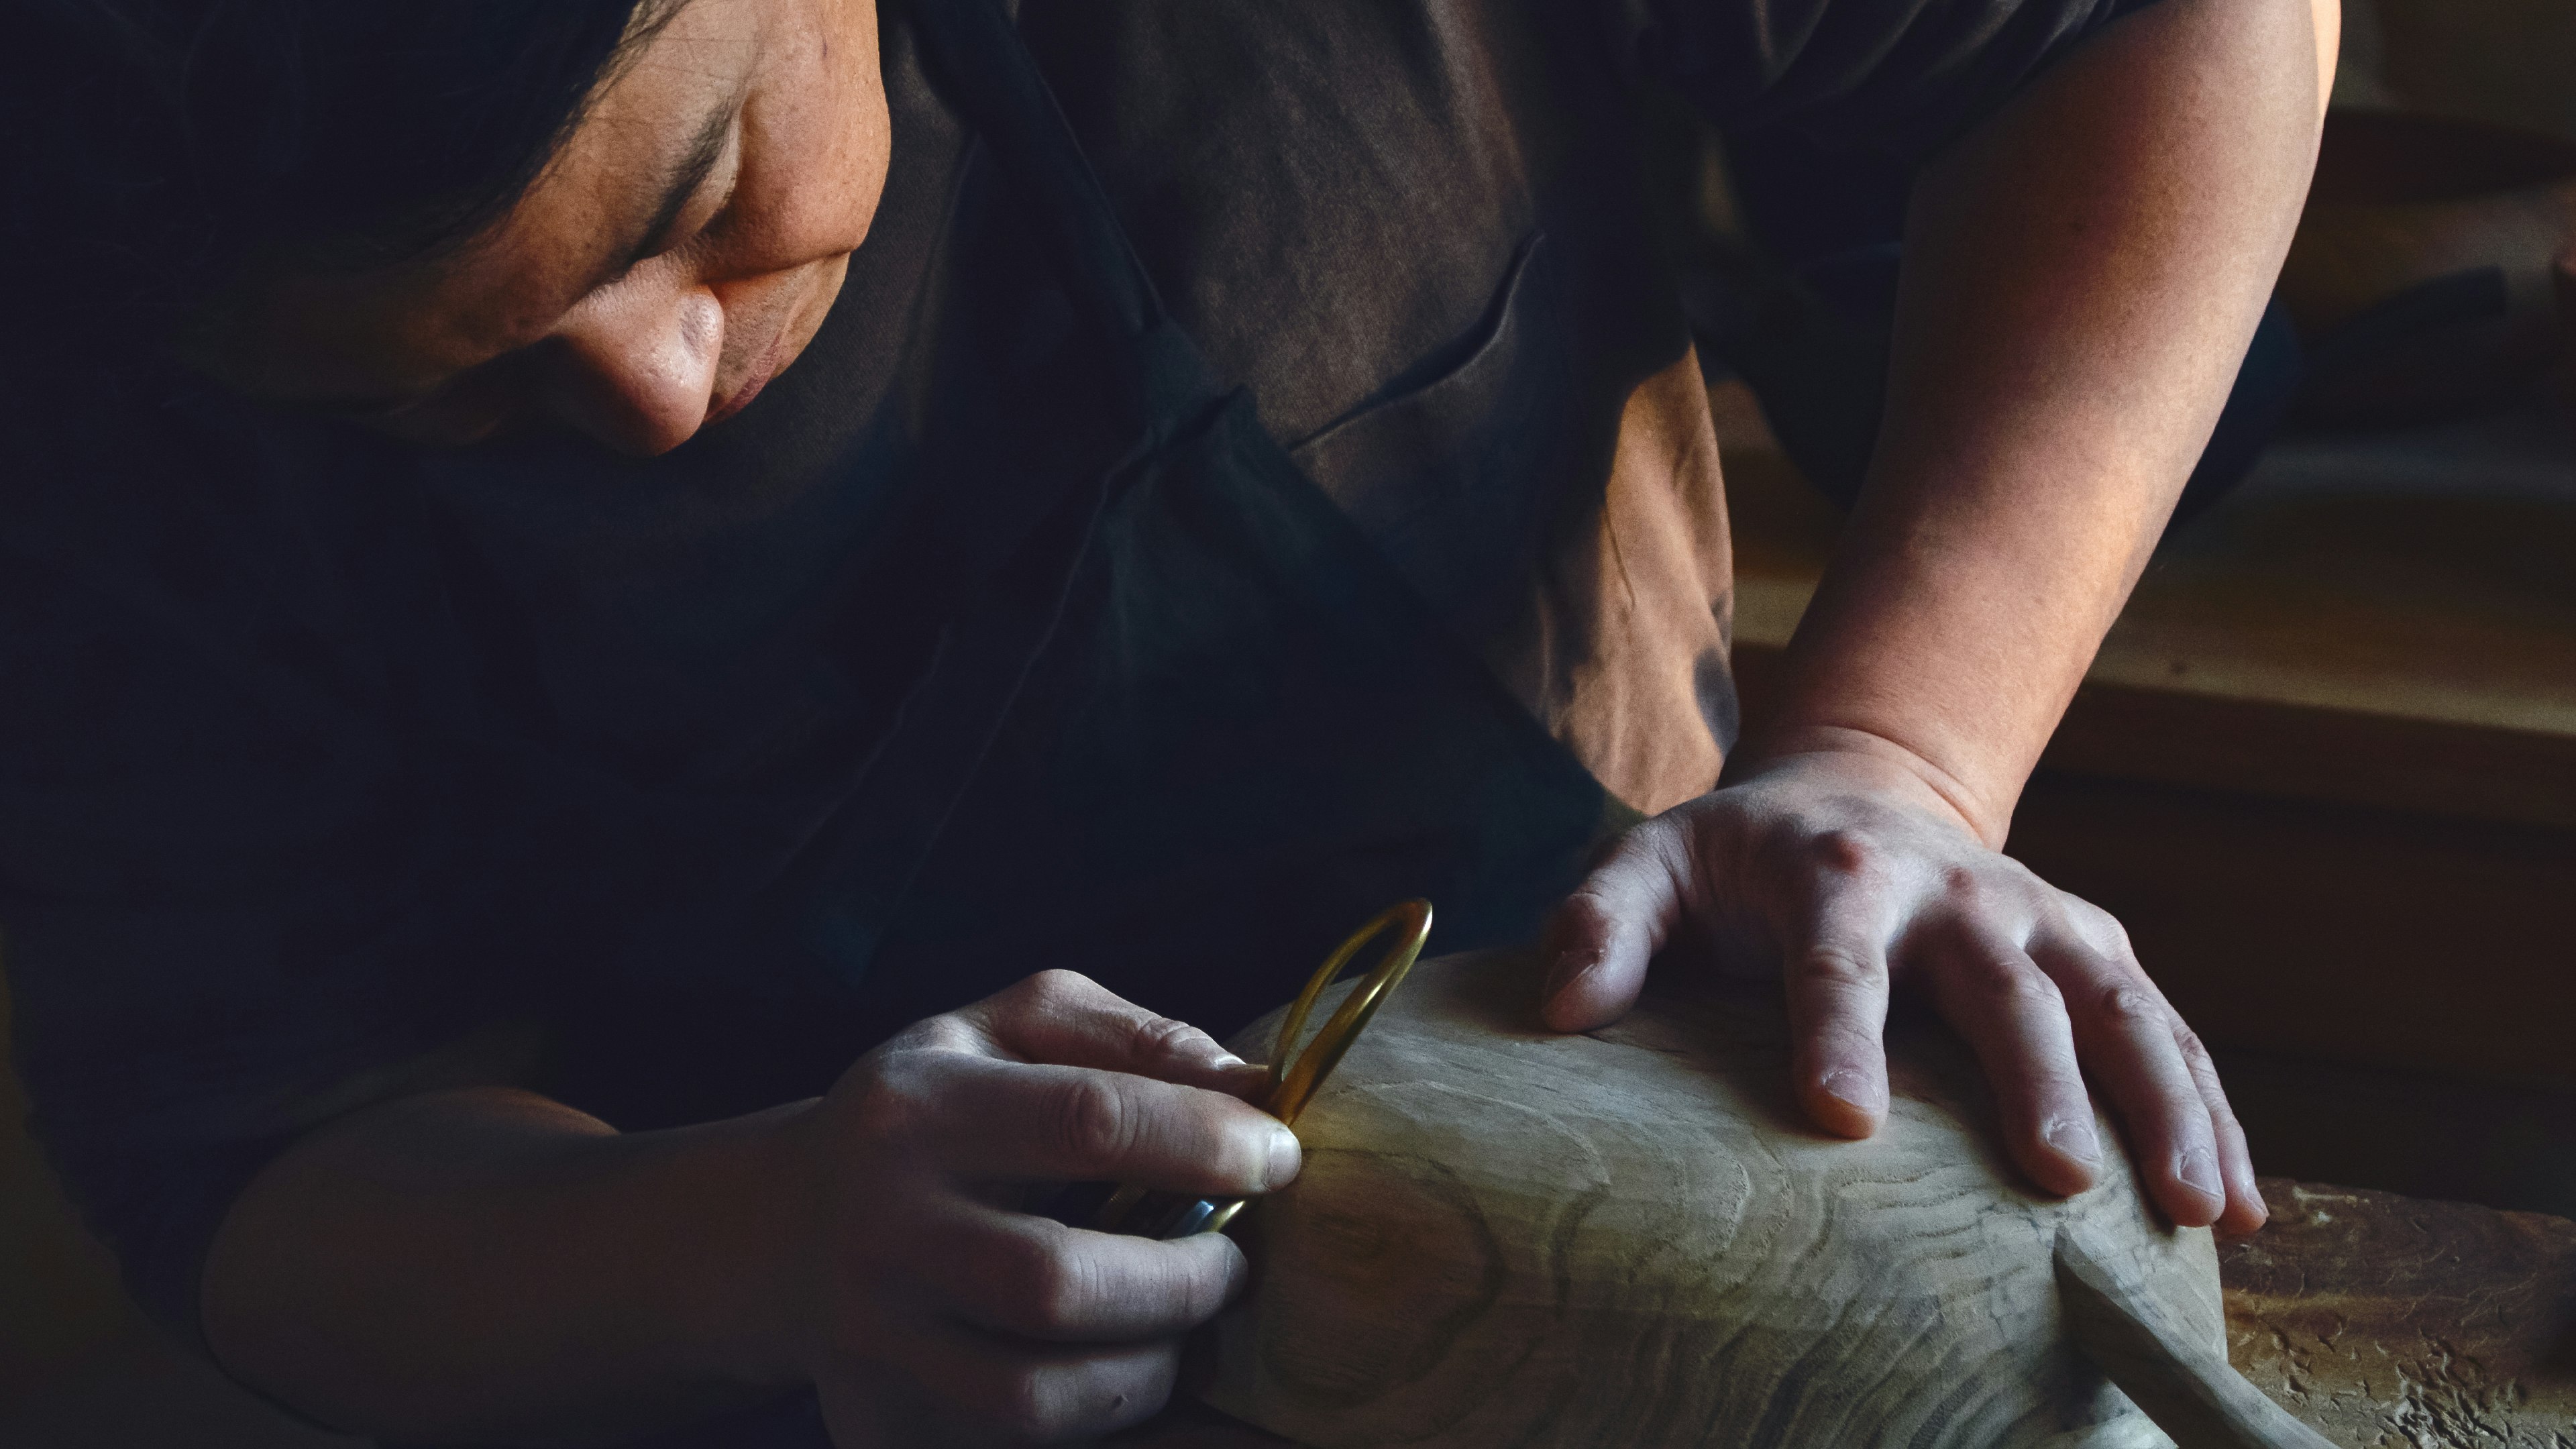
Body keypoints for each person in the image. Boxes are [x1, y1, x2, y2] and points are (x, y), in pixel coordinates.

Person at [0, 0, 2331, 1443]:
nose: (658, 389)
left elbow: (2165, 23)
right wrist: (741, 1241)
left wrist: (1898, 755)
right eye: (446, 393)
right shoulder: (101, 330)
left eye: (695, 200)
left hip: (1659, 1208)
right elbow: (267, 1153)